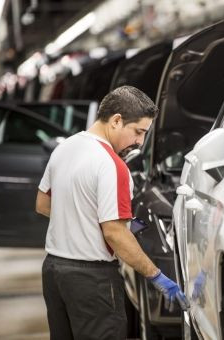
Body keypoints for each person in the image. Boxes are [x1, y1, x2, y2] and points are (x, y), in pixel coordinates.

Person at [35, 86, 189, 339]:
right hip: (91, 281)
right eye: (138, 132)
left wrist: (84, 219)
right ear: (117, 120)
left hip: (54, 273)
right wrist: (157, 276)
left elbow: (42, 203)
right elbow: (115, 234)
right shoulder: (112, 165)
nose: (140, 142)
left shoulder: (65, 148)